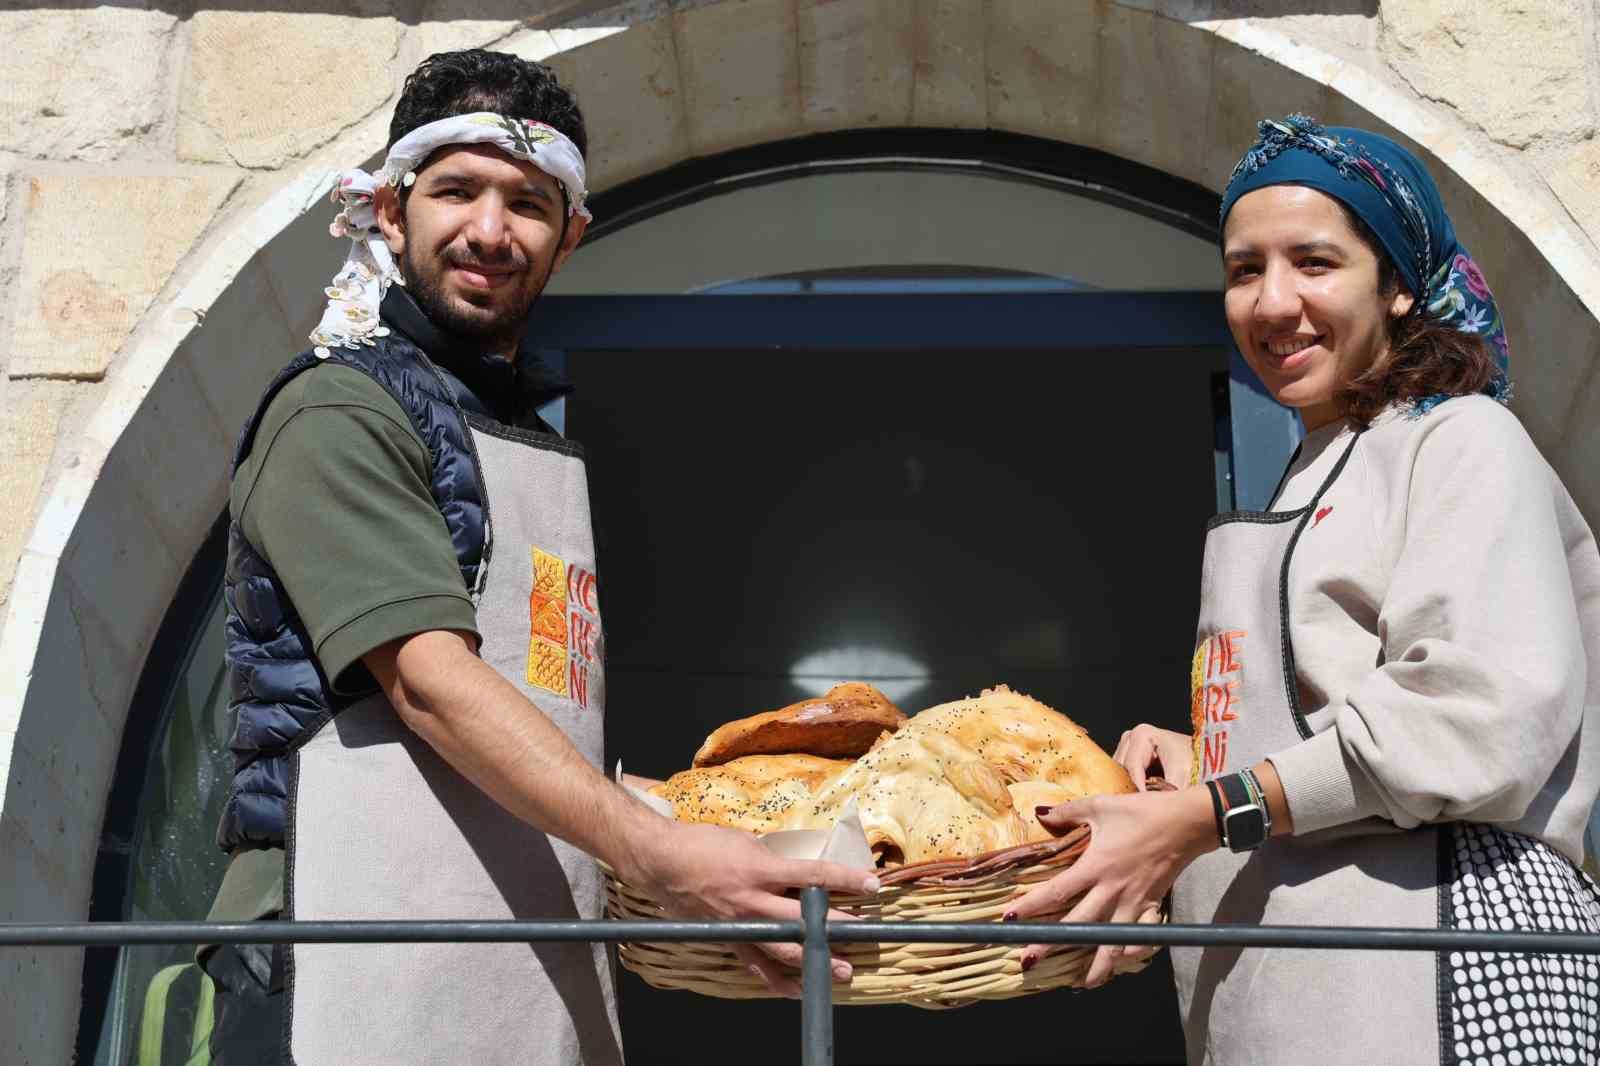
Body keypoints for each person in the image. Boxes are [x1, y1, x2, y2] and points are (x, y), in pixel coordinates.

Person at [198, 49, 877, 1066]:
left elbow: (541, 714)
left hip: (520, 949)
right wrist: (661, 853)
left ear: (570, 236)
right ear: (390, 213)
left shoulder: (519, 436)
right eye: (455, 191)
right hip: (340, 947)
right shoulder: (337, 411)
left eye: (526, 201)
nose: (488, 229)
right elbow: (429, 685)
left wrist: (719, 849)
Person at [1009, 115, 1600, 1064]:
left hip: (1426, 977)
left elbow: (1470, 722)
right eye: (1245, 270)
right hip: (1287, 994)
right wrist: (1206, 753)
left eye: (1315, 263)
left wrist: (1201, 815)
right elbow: (1322, 739)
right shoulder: (1308, 471)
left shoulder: (1460, 442)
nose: (1274, 302)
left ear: (1400, 286)